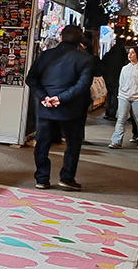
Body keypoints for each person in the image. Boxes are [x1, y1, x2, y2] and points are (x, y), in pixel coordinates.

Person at [25, 25, 95, 191]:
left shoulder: (45, 55)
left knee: (42, 144)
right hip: (72, 110)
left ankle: (42, 178)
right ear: (80, 40)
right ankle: (67, 178)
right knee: (72, 144)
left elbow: (31, 79)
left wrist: (44, 97)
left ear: (61, 38)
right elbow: (82, 85)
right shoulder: (85, 59)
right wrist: (60, 99)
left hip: (46, 108)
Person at [109, 45, 138, 149]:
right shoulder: (125, 68)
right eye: (129, 53)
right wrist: (120, 94)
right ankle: (116, 141)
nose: (130, 55)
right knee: (121, 118)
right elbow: (121, 82)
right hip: (124, 95)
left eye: (133, 52)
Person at [101, 39, 128, 121]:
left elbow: (102, 64)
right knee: (115, 96)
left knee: (108, 95)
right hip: (117, 79)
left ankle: (107, 112)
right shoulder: (122, 55)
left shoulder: (108, 54)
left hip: (107, 78)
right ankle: (112, 113)